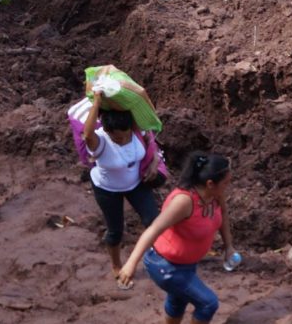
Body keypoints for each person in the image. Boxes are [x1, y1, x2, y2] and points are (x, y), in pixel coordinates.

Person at [118, 152, 235, 323]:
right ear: (210, 183)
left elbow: (223, 214)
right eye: (226, 183)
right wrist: (131, 264)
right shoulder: (184, 202)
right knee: (208, 304)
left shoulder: (215, 194)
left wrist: (229, 246)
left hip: (187, 265)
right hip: (165, 265)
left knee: (178, 301)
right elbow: (154, 229)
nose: (228, 186)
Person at [83, 100, 161, 279]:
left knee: (153, 221)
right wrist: (96, 102)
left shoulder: (135, 129)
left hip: (135, 184)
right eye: (118, 138)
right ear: (108, 132)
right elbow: (87, 134)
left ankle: (155, 255)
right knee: (115, 231)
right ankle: (116, 265)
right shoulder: (99, 141)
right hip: (107, 189)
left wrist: (155, 161)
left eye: (127, 136)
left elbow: (150, 139)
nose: (124, 140)